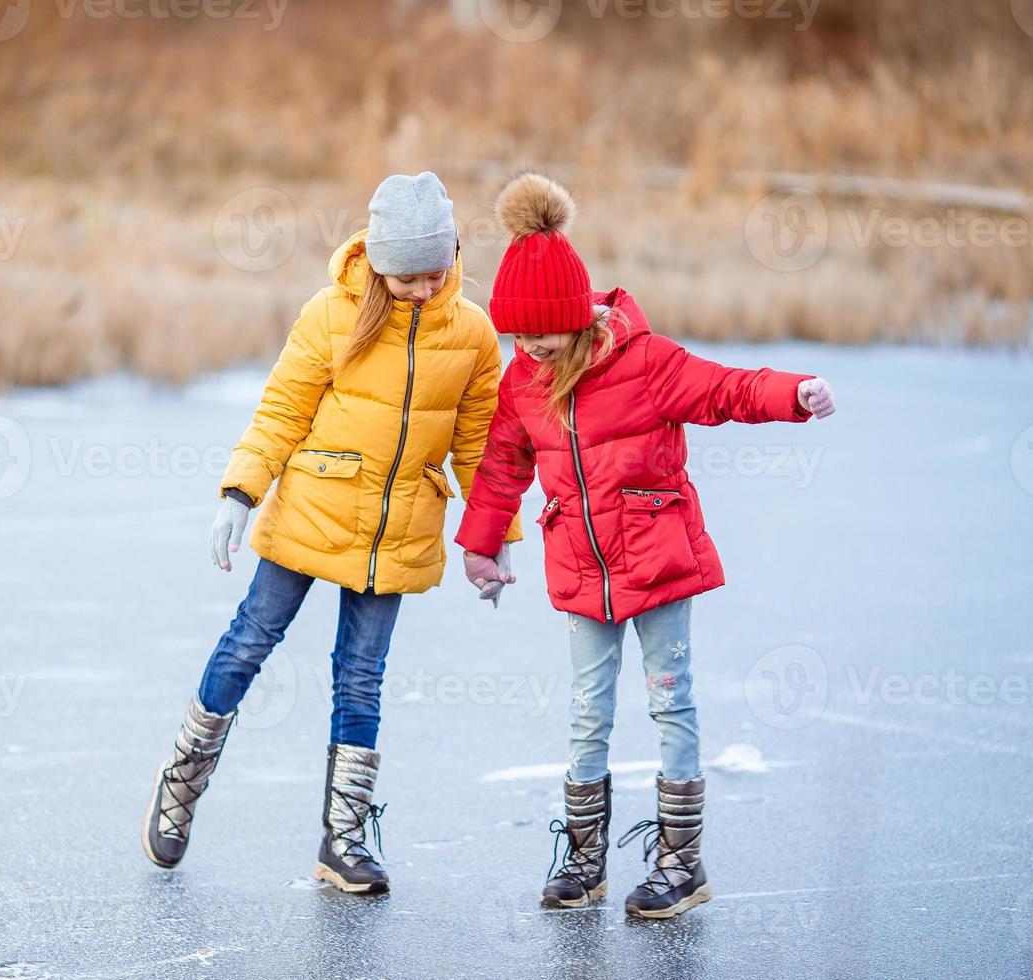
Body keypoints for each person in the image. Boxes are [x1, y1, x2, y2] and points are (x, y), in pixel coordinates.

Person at [456, 172, 837, 918]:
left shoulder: (645, 361)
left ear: (575, 314)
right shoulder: (522, 383)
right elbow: (503, 464)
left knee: (671, 705)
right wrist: (481, 546)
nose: (528, 344)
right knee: (587, 713)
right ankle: (587, 859)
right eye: (518, 332)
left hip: (659, 565)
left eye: (541, 329)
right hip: (580, 569)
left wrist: (793, 394)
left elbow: (725, 389)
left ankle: (680, 864)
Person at [142, 172, 521, 894]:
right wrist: (239, 493)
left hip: (400, 527)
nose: (420, 288)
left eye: (433, 273)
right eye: (406, 276)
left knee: (362, 678)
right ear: (379, 264)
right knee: (251, 639)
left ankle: (343, 841)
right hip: (313, 508)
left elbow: (480, 444)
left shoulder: (472, 331)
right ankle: (180, 786)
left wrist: (492, 532)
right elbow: (282, 408)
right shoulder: (330, 314)